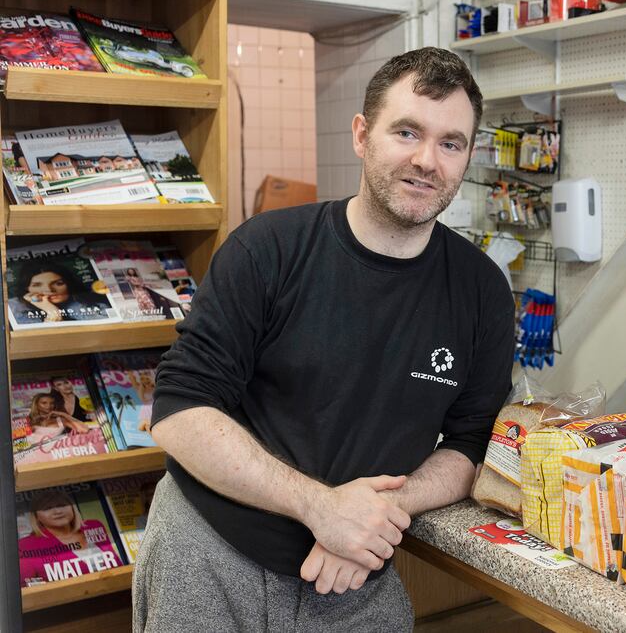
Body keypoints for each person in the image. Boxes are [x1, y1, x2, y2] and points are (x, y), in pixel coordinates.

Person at [134, 47, 514, 632]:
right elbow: (181, 409)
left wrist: (370, 516)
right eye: (406, 132)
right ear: (362, 135)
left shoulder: (482, 290)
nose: (426, 160)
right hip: (210, 551)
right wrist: (321, 507)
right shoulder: (268, 248)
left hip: (356, 572)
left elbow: (471, 447)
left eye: (450, 142)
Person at [18, 489, 122, 586]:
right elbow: (26, 585)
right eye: (47, 508)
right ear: (36, 517)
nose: (58, 511)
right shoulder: (26, 544)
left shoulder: (93, 526)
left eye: (62, 505)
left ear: (72, 507)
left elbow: (116, 564)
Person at [8, 261, 111, 325]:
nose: (49, 290)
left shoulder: (85, 301)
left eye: (58, 283)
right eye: (37, 285)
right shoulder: (14, 307)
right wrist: (51, 310)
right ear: (27, 289)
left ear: (68, 284)